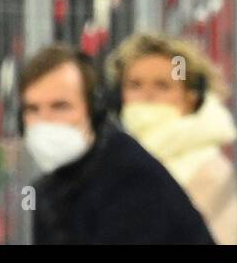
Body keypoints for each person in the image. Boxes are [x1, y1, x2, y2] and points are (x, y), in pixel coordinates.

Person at [20, 44, 214, 244]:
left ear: (94, 111)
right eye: (33, 109)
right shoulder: (50, 188)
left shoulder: (132, 178)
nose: (45, 120)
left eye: (61, 106)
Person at [107, 33, 237, 245]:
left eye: (162, 85)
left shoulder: (209, 171)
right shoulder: (112, 158)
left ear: (191, 97)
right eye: (135, 85)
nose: (147, 95)